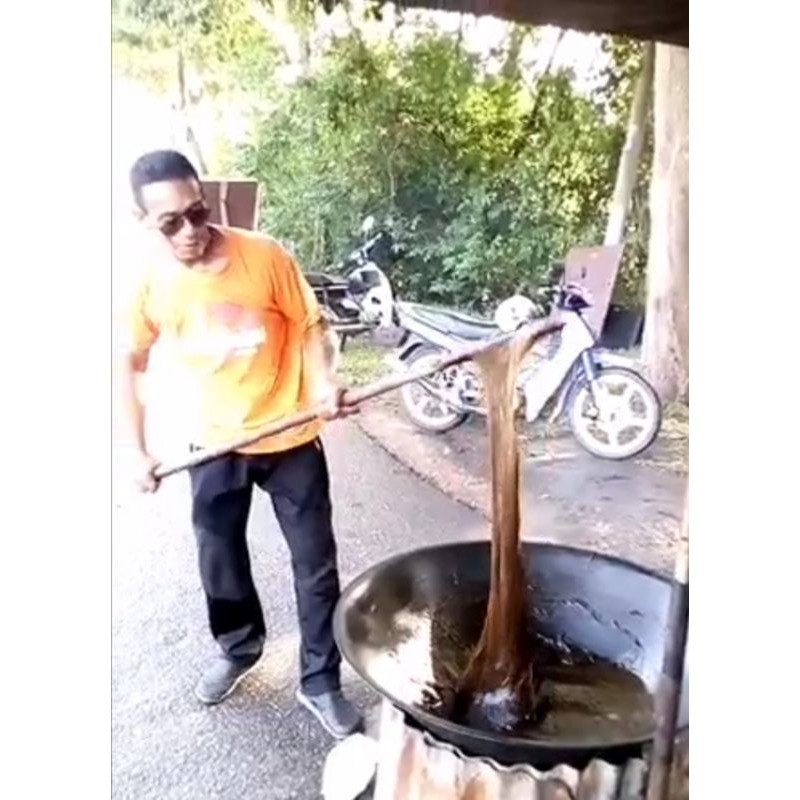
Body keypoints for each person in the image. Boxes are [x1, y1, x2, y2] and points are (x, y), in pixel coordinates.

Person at [117, 149, 362, 739]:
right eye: (170, 222)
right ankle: (239, 647)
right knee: (220, 559)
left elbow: (308, 324)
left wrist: (322, 382)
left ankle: (320, 681)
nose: (190, 230)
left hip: (290, 433)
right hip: (213, 443)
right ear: (142, 221)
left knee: (315, 563)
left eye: (197, 212)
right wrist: (135, 449)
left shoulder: (265, 256)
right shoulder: (149, 282)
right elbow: (128, 363)